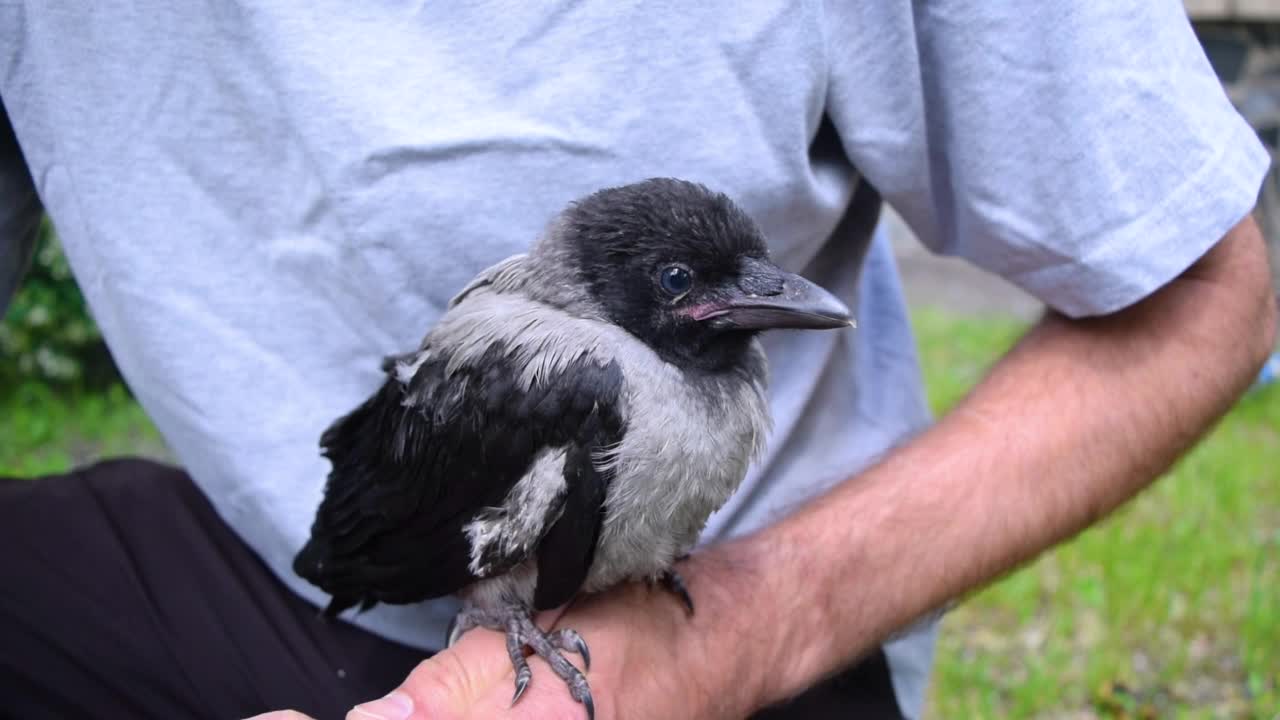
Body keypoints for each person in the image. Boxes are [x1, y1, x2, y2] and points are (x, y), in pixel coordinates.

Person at [0, 4, 1275, 719]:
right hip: (341, 553)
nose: (751, 300)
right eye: (686, 287)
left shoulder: (650, 382)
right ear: (630, 291)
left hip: (744, 654)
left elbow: (1208, 294)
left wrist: (741, 635)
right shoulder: (572, 381)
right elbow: (422, 513)